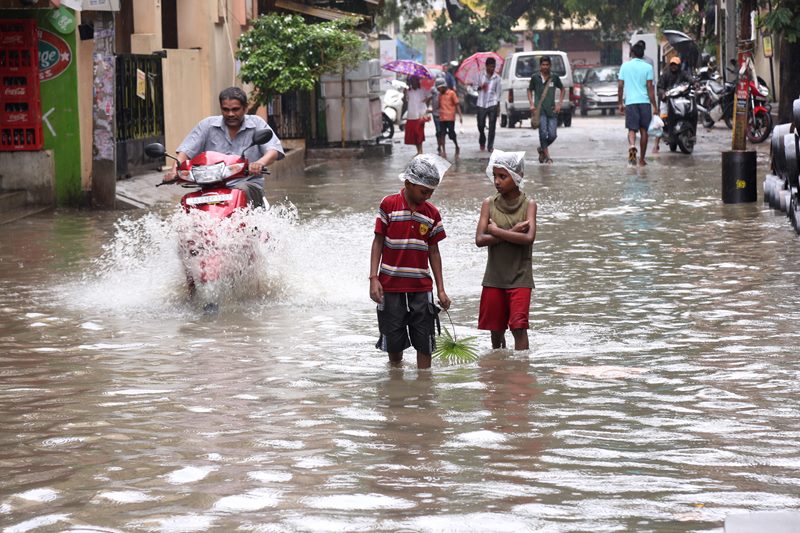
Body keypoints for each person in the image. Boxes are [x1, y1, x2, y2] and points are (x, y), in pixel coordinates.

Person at [370, 154, 453, 369]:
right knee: (393, 338)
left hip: (421, 286)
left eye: (431, 192)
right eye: (424, 191)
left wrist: (441, 290)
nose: (428, 196)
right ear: (408, 183)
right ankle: (396, 381)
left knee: (424, 339)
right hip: (390, 284)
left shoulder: (432, 213)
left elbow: (434, 252)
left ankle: (423, 387)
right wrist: (373, 278)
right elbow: (378, 242)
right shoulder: (388, 205)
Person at [164, 86, 284, 208]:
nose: (230, 114)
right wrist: (174, 172)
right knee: (187, 203)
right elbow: (185, 152)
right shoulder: (207, 125)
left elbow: (273, 151)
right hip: (210, 185)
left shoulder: (256, 123)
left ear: (245, 108)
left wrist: (259, 163)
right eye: (225, 110)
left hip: (247, 184)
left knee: (241, 191)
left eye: (235, 109)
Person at [475, 150, 537, 350]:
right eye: (495, 176)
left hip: (520, 277)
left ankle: (521, 372)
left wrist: (496, 231)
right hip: (494, 277)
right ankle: (498, 373)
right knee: (496, 331)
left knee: (519, 328)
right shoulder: (488, 204)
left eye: (503, 176)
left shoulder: (529, 205)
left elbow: (528, 238)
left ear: (517, 177)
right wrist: (511, 232)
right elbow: (479, 239)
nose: (497, 181)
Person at [617, 42, 658, 166]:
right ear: (642, 54)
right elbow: (650, 88)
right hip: (645, 103)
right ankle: (641, 159)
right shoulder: (648, 67)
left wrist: (620, 103)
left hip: (631, 102)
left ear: (632, 54)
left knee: (631, 129)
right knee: (644, 130)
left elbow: (620, 86)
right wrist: (655, 106)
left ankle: (632, 146)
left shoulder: (625, 66)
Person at [527, 55, 565, 164]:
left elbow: (563, 89)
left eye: (547, 65)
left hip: (552, 109)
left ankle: (541, 149)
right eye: (543, 65)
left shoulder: (554, 77)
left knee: (553, 135)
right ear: (540, 66)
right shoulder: (535, 77)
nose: (545, 67)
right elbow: (529, 90)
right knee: (543, 133)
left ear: (550, 65)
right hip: (539, 110)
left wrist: (559, 104)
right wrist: (531, 104)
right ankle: (548, 157)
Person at [653, 56, 692, 153]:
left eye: (675, 65)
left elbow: (689, 78)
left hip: (680, 100)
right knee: (661, 122)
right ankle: (656, 145)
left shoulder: (683, 74)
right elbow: (660, 87)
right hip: (667, 101)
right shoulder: (665, 75)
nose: (673, 66)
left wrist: (694, 82)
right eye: (672, 65)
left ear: (679, 66)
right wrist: (662, 94)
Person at [475, 57, 502, 152]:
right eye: (490, 66)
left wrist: (498, 105)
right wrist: (480, 87)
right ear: (486, 66)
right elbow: (473, 88)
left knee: (492, 126)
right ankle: (482, 139)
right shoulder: (479, 75)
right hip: (481, 103)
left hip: (492, 103)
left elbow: (498, 92)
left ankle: (490, 146)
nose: (492, 69)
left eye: (493, 67)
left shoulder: (497, 78)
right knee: (480, 125)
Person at [403, 75, 430, 155]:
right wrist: (404, 93)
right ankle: (418, 150)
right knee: (414, 133)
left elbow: (429, 97)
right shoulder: (408, 91)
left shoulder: (422, 90)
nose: (414, 82)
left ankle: (420, 150)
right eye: (412, 81)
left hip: (420, 114)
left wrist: (425, 102)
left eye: (415, 80)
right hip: (411, 115)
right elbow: (405, 100)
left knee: (419, 133)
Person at [436, 77, 462, 158]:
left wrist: (460, 116)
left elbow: (457, 104)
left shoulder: (451, 93)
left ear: (443, 86)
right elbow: (439, 105)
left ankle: (456, 146)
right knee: (442, 134)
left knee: (451, 134)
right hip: (442, 118)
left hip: (450, 118)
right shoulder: (440, 95)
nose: (438, 90)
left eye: (439, 88)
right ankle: (444, 151)